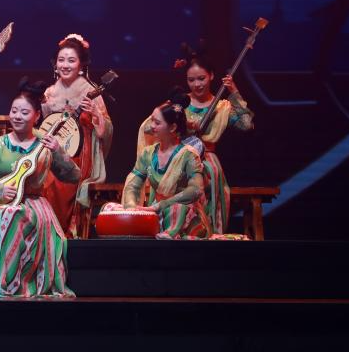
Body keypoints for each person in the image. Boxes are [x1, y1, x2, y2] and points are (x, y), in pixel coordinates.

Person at [0, 79, 80, 297]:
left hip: (34, 206)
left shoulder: (45, 144)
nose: (17, 116)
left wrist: (58, 152)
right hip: (4, 201)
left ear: (37, 116)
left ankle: (4, 283)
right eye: (14, 111)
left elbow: (73, 176)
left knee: (12, 216)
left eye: (24, 112)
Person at [169, 42, 254, 234]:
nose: (197, 84)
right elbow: (157, 125)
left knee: (208, 198)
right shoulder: (179, 103)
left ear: (212, 76)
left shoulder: (221, 106)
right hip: (180, 162)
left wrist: (234, 92)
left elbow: (246, 124)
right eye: (191, 80)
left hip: (208, 162)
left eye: (201, 78)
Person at [40, 34, 113, 236]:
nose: (65, 65)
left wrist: (95, 113)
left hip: (79, 155)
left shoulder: (90, 91)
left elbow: (106, 129)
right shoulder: (49, 92)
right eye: (61, 60)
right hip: (52, 151)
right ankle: (43, 232)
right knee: (37, 177)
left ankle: (60, 232)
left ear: (81, 65)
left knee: (57, 181)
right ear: (55, 64)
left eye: (71, 60)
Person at [111, 91, 209, 240]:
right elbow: (133, 184)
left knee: (176, 210)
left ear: (172, 127)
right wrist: (131, 206)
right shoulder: (148, 153)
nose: (151, 126)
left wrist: (161, 205)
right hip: (155, 211)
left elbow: (196, 190)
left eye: (157, 123)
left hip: (181, 214)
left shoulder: (189, 155)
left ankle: (169, 235)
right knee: (110, 207)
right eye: (152, 121)